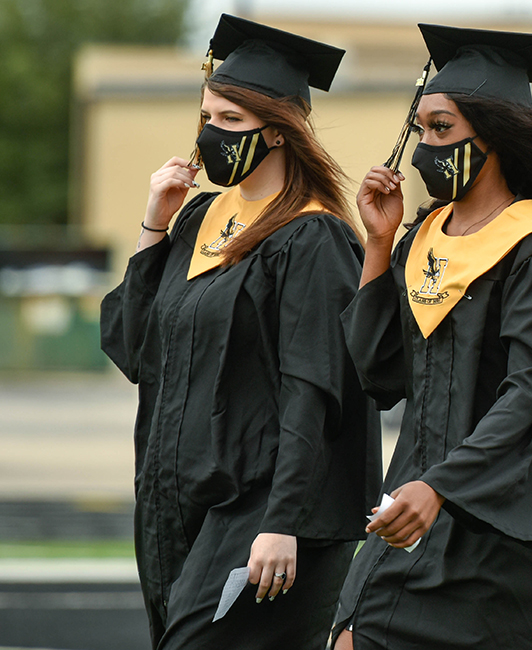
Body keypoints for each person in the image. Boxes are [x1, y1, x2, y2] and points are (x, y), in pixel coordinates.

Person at [100, 14, 381, 650]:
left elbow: (316, 390)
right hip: (178, 501)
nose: (211, 136)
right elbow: (133, 347)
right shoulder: (199, 219)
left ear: (280, 133)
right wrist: (153, 228)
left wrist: (285, 522)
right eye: (206, 117)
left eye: (230, 121)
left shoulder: (313, 238)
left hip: (263, 509)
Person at [332, 24, 532, 650]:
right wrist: (379, 244)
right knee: (353, 637)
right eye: (422, 129)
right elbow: (380, 374)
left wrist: (442, 486)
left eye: (443, 129)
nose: (424, 147)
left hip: (500, 530)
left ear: (496, 136)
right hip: (416, 507)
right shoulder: (424, 239)